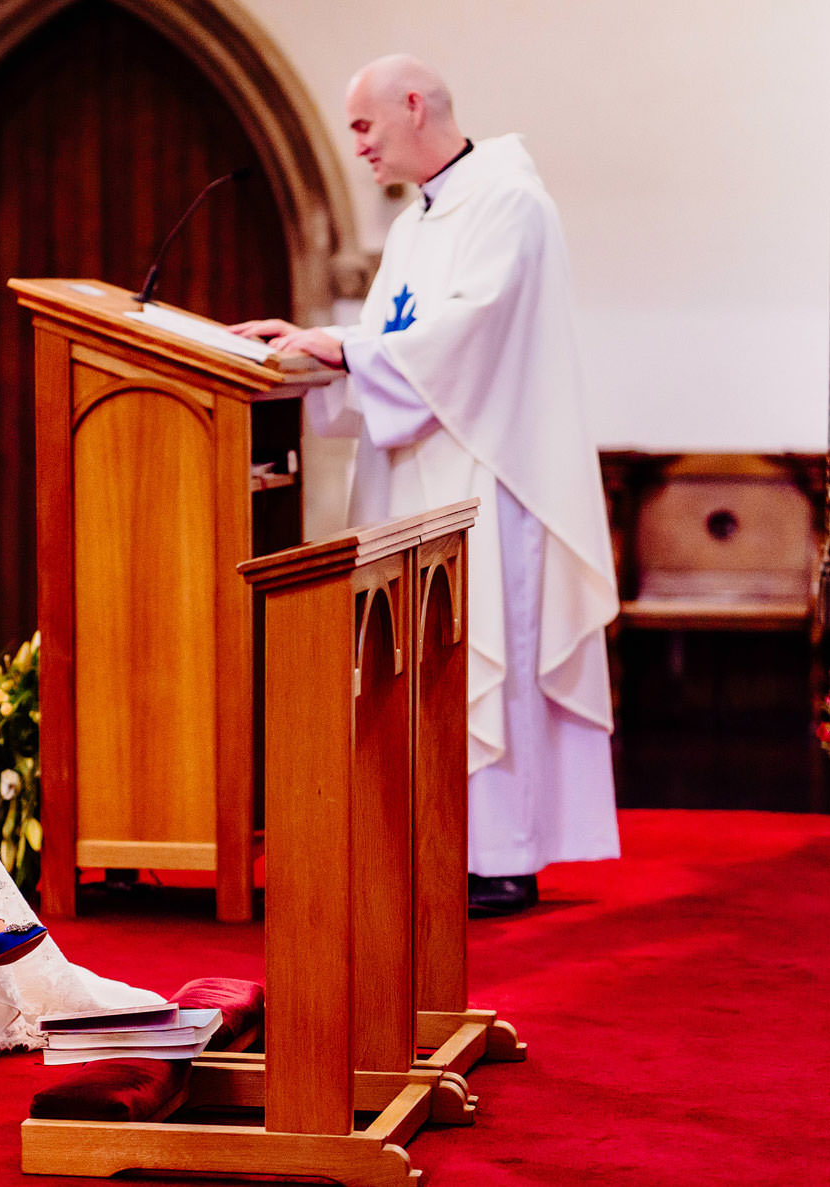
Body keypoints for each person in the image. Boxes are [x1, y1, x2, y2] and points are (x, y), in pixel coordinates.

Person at [232, 56, 620, 916]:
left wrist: (341, 348)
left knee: (483, 655)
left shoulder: (508, 201)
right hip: (417, 477)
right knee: (424, 661)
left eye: (365, 125)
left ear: (415, 106)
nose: (358, 145)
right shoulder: (418, 223)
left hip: (484, 473)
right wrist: (320, 343)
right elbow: (391, 337)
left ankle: (502, 854)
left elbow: (466, 336)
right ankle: (437, 841)